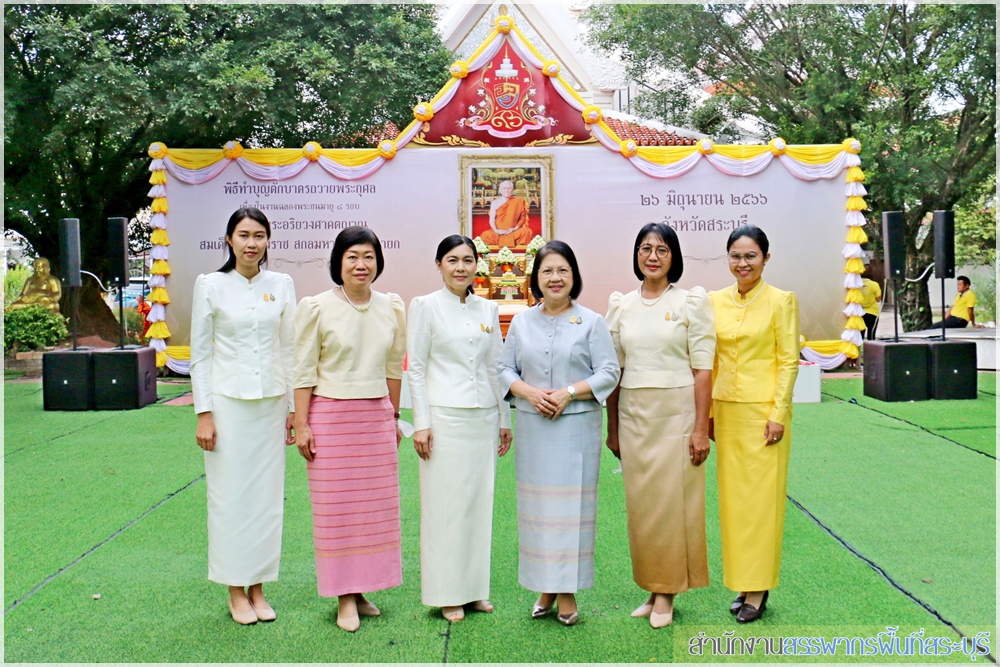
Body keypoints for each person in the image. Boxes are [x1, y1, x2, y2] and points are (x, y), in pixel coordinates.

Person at [498, 240, 620, 626]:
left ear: (574, 276)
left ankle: (566, 592)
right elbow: (504, 370)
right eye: (547, 270)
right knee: (538, 511)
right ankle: (544, 586)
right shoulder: (521, 321)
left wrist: (569, 393)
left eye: (562, 270)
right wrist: (529, 392)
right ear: (536, 277)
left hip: (576, 429)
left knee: (571, 511)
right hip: (534, 427)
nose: (555, 278)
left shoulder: (592, 321)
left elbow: (609, 372)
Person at [292, 226, 406, 633]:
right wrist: (301, 423)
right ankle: (344, 598)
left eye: (369, 256)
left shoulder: (391, 306)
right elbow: (303, 369)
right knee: (337, 510)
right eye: (353, 256)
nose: (362, 264)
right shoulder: (317, 307)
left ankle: (362, 590)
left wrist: (393, 418)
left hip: (375, 417)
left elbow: (394, 368)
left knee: (372, 510)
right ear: (338, 262)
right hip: (331, 417)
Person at [605, 223, 716, 629]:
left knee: (672, 507)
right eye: (646, 248)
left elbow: (703, 370)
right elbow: (614, 370)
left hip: (678, 414)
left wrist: (701, 428)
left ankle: (668, 593)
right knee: (643, 509)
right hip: (634, 415)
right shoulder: (621, 305)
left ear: (674, 257)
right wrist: (612, 427)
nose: (653, 256)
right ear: (636, 254)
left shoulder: (691, 302)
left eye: (662, 249)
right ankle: (653, 588)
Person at [189, 207, 296, 625]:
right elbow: (199, 355)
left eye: (259, 235)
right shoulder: (211, 285)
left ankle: (259, 587)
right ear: (229, 240)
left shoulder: (282, 284)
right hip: (227, 404)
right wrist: (204, 414)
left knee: (266, 500)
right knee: (230, 498)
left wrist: (291, 409)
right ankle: (236, 589)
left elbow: (289, 350)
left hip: (270, 404)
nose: (252, 243)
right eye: (244, 235)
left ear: (268, 241)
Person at [407, 235, 513, 622]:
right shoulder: (426, 306)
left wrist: (504, 418)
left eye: (468, 260)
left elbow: (494, 367)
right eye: (452, 260)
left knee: (477, 503)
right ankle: (447, 592)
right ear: (439, 264)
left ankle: (473, 591)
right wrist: (422, 423)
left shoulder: (488, 308)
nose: (461, 268)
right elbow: (416, 368)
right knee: (445, 507)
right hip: (444, 418)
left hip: (482, 416)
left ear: (476, 266)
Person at [708, 225, 799, 624]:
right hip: (726, 413)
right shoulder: (714, 301)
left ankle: (759, 589)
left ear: (765, 257)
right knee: (734, 504)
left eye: (750, 256)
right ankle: (742, 583)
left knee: (762, 503)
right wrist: (708, 414)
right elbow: (709, 359)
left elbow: (789, 360)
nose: (742, 263)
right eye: (735, 256)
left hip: (764, 416)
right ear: (727, 258)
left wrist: (778, 414)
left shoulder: (782, 301)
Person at [480, 180, 534, 248]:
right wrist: (497, 231)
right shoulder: (495, 203)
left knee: (527, 232)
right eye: (504, 188)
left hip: (513, 231)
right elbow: (492, 220)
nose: (507, 191)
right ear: (500, 190)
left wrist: (514, 229)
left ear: (513, 189)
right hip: (499, 232)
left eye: (509, 188)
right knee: (485, 235)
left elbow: (522, 218)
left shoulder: (519, 201)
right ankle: (508, 241)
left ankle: (505, 241)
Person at [859, 271, 882, 340]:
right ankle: (871, 350)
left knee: (860, 335)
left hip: (859, 312)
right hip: (873, 312)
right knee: (871, 334)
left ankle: (860, 350)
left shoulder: (855, 285)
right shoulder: (874, 284)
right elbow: (878, 299)